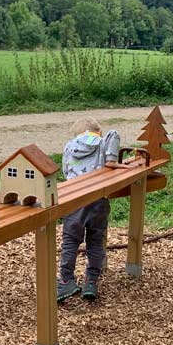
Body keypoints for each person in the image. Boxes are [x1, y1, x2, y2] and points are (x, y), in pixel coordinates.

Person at [57, 118, 119, 303]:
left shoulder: (69, 146)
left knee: (70, 242)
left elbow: (66, 170)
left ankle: (66, 280)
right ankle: (91, 281)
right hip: (98, 199)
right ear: (97, 131)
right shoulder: (103, 142)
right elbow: (112, 151)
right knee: (95, 241)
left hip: (74, 199)